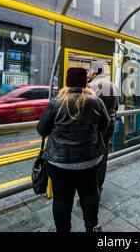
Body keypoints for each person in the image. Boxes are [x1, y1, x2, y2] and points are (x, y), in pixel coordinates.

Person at [36, 67, 110, 232]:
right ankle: (91, 227)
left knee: (62, 199)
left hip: (59, 162)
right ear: (85, 83)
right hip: (90, 160)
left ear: (67, 83)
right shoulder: (95, 102)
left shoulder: (56, 102)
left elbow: (41, 130)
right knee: (90, 194)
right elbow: (105, 124)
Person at [87, 61, 119, 195]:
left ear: (94, 72)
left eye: (89, 71)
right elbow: (116, 107)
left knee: (90, 157)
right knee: (103, 156)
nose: (88, 74)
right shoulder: (113, 86)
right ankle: (98, 187)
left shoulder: (90, 87)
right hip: (110, 123)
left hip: (95, 127)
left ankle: (90, 188)